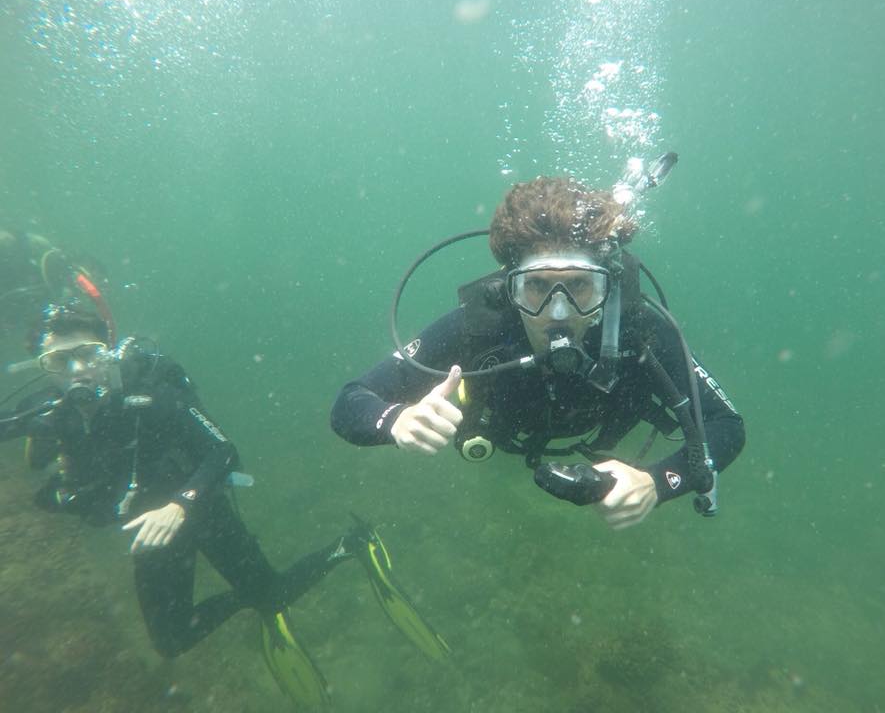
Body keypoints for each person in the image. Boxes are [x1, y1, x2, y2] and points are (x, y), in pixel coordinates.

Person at [0, 304, 449, 709]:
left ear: (110, 352)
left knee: (274, 596)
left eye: (90, 355)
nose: (78, 371)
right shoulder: (45, 411)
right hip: (148, 531)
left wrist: (180, 504)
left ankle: (353, 544)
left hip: (201, 512)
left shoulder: (150, 394)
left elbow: (222, 451)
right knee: (171, 640)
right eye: (60, 361)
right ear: (42, 367)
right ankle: (249, 601)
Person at [331, 175, 745, 528]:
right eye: (537, 287)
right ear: (509, 288)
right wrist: (396, 421)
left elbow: (725, 423)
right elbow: (350, 402)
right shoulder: (476, 329)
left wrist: (659, 481)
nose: (559, 312)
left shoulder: (640, 331)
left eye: (581, 286)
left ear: (609, 286)